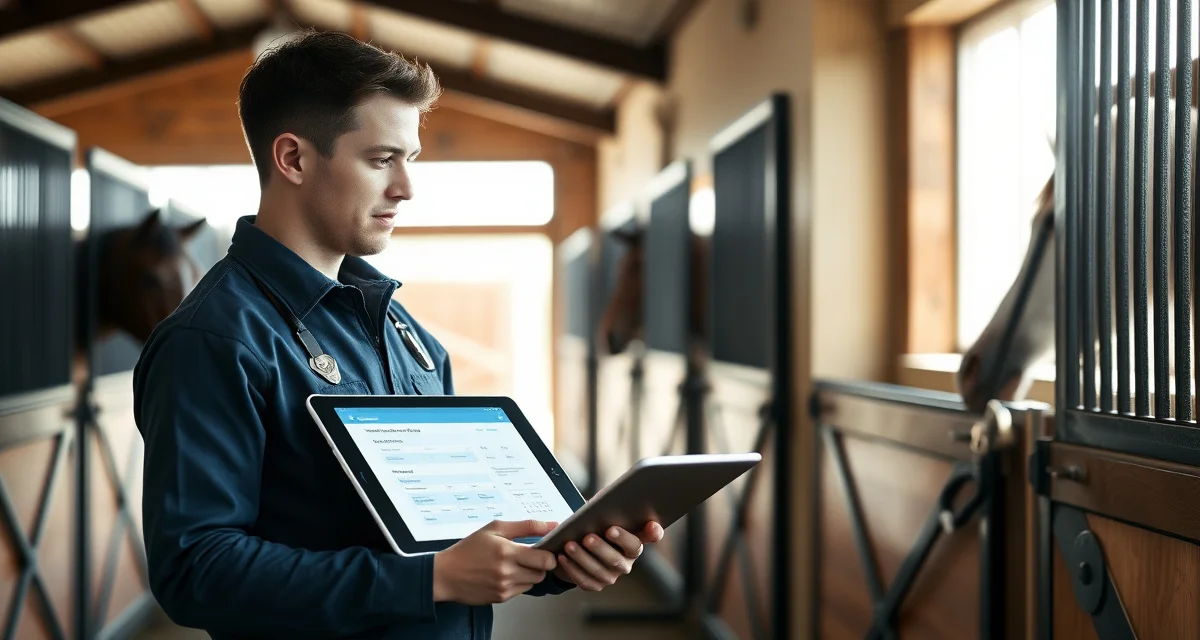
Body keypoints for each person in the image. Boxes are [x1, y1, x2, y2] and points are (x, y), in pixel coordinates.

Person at [132, 29, 664, 639]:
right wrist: (427, 580)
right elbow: (196, 569)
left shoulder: (407, 333)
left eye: (410, 159)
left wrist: (558, 555)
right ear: (294, 159)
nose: (406, 187)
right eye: (382, 159)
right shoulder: (213, 340)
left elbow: (461, 533)